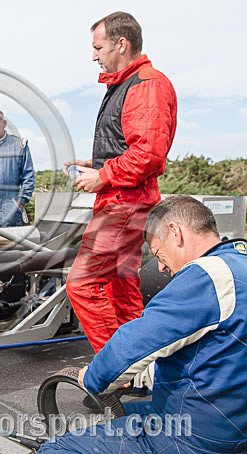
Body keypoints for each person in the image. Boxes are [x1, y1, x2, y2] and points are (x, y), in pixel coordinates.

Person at [37, 195, 247, 454]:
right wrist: (142, 378)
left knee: (55, 451)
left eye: (157, 253)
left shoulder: (205, 277)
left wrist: (91, 377)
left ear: (176, 233)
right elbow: (213, 356)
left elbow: (129, 346)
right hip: (240, 449)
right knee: (126, 413)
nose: (159, 266)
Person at [64, 12, 178, 354]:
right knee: (121, 286)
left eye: (98, 47)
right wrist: (94, 164)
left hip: (125, 203)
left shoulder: (147, 84)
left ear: (121, 44)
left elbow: (148, 154)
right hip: (124, 200)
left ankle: (119, 369)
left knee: (82, 283)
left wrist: (103, 175)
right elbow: (129, 146)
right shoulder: (129, 84)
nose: (94, 55)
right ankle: (140, 362)